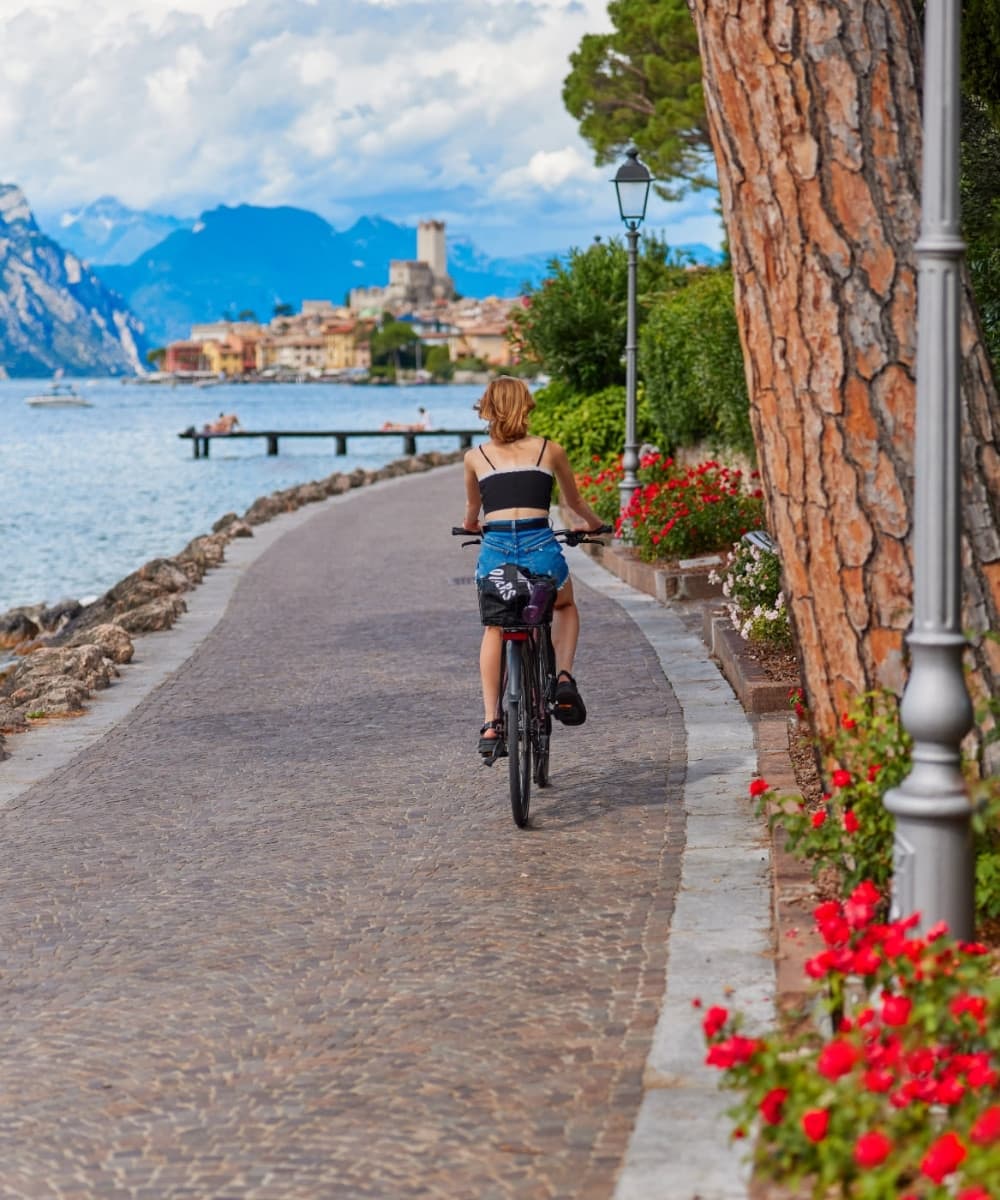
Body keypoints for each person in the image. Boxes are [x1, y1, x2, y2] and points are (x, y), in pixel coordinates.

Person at [461, 376, 606, 755]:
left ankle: (491, 723)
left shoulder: (476, 457)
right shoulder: (549, 450)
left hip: (497, 555)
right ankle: (563, 677)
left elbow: (473, 511)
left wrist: (471, 526)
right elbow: (574, 503)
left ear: (487, 409)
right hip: (541, 549)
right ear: (526, 406)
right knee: (565, 605)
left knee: (495, 627)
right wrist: (594, 526)